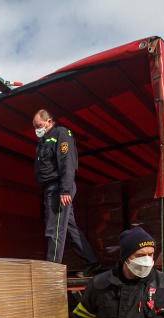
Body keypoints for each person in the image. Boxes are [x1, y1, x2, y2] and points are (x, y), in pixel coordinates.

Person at [32, 108, 98, 276]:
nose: (36, 129)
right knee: (68, 228)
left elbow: (66, 162)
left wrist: (65, 189)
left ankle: (52, 271)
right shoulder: (43, 141)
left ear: (49, 121)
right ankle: (92, 261)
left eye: (39, 125)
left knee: (54, 229)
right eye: (34, 127)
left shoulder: (60, 133)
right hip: (51, 189)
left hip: (58, 188)